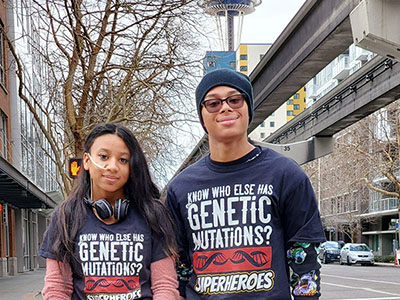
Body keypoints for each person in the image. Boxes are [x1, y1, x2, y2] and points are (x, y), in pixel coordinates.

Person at [166, 69, 326, 299]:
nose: (225, 107)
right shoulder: (180, 188)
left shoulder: (286, 174)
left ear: (248, 108)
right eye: (213, 103)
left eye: (235, 99)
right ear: (202, 116)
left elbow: (306, 259)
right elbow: (178, 266)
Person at [40, 123, 179, 300]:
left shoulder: (153, 214)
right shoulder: (66, 216)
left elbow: (164, 286)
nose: (113, 166)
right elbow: (57, 289)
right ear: (87, 162)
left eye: (123, 160)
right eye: (104, 156)